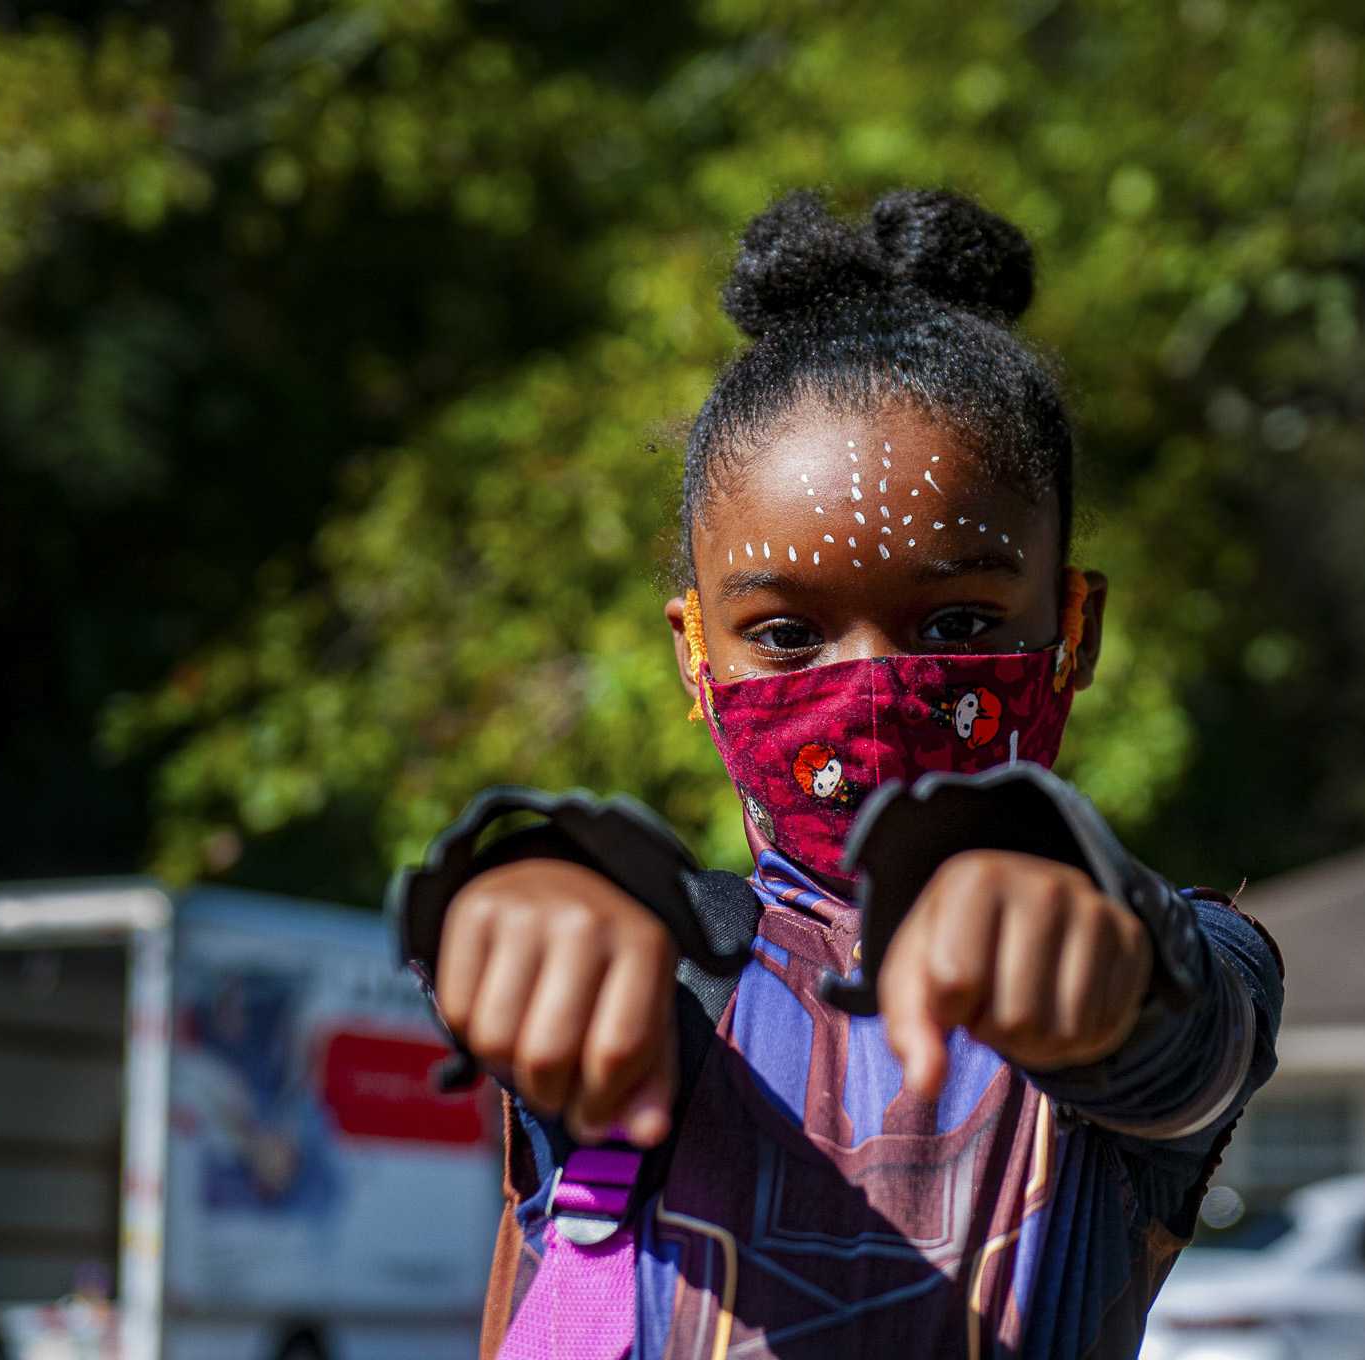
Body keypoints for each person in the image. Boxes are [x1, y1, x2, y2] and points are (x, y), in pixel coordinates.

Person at [396, 189, 1284, 1359]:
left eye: (960, 623)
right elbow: (528, 970)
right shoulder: (668, 978)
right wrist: (514, 909)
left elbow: (1184, 1041)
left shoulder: (1169, 966)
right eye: (784, 633)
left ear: (1073, 626)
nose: (872, 685)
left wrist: (1104, 964)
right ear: (694, 654)